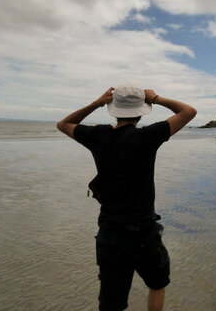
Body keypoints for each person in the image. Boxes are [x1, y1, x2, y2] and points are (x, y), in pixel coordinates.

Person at [57, 83, 196, 311]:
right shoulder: (148, 137)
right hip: (143, 231)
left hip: (109, 232)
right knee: (157, 283)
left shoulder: (98, 135)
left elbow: (63, 124)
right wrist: (157, 98)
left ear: (113, 107)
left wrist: (96, 103)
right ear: (142, 110)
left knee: (112, 303)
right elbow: (189, 112)